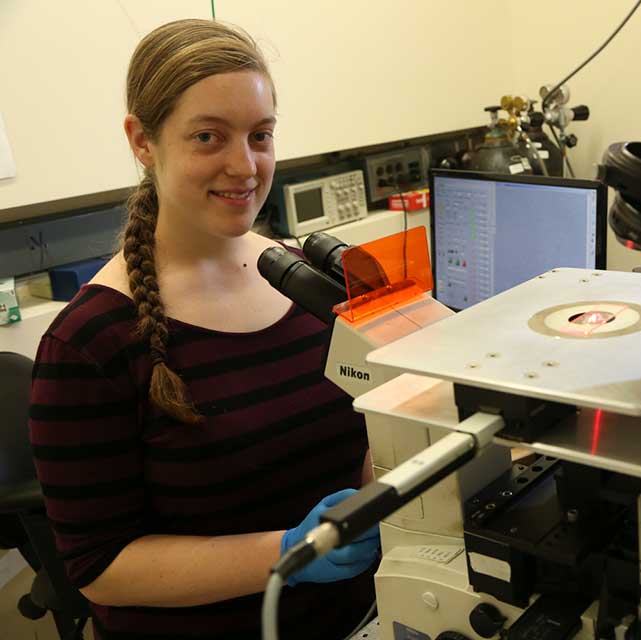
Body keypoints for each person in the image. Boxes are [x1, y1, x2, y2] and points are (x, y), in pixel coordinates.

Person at [28, 19, 379, 639]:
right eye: (208, 137)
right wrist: (290, 553)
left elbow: (362, 448)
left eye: (260, 135)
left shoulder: (309, 283)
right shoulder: (89, 343)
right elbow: (100, 566)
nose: (244, 166)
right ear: (143, 140)